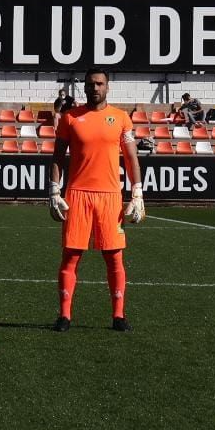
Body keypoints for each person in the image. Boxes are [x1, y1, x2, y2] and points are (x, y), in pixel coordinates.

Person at [48, 68, 143, 333]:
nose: (95, 88)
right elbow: (57, 157)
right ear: (84, 87)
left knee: (114, 258)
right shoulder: (69, 118)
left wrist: (137, 191)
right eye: (90, 84)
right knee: (71, 257)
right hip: (77, 194)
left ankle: (119, 316)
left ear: (107, 87)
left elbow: (132, 157)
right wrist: (54, 190)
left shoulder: (121, 118)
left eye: (99, 83)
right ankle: (64, 316)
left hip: (111, 196)